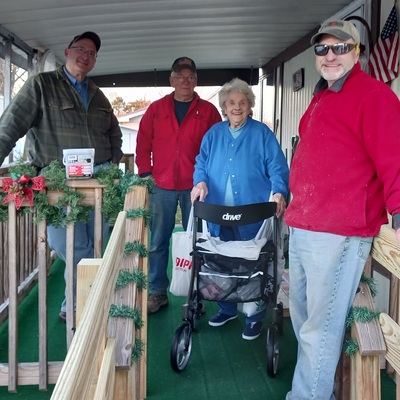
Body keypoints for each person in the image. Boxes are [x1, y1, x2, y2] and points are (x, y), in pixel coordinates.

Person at [284, 20, 400, 399]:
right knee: (305, 324)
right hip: (303, 225)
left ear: (358, 52)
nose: (330, 55)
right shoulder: (321, 96)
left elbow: (394, 156)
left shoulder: (375, 95)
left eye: (340, 47)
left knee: (321, 329)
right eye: (322, 49)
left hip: (338, 233)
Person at [0, 31, 123, 322]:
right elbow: (11, 125)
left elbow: (115, 133)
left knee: (95, 243)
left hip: (98, 184)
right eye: (80, 49)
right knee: (69, 244)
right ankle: (86, 302)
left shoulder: (98, 95)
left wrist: (113, 160)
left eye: (92, 53)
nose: (85, 56)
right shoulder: (41, 85)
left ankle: (75, 305)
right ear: (67, 51)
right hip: (56, 183)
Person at [190, 77, 289, 340]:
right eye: (232, 102)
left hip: (252, 214)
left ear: (249, 106)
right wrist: (199, 181)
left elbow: (277, 166)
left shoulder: (261, 133)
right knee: (221, 262)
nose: (237, 107)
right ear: (224, 106)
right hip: (217, 213)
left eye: (242, 102)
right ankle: (227, 307)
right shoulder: (213, 134)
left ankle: (255, 316)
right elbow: (201, 162)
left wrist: (279, 191)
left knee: (252, 263)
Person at [136, 57, 221, 314]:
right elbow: (142, 143)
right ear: (171, 80)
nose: (186, 81)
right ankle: (157, 292)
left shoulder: (208, 111)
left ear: (196, 81)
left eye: (191, 77)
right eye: (180, 76)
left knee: (198, 240)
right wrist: (145, 173)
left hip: (196, 187)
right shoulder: (156, 109)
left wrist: (208, 180)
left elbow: (216, 148)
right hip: (161, 185)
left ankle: (197, 293)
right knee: (158, 240)